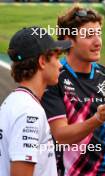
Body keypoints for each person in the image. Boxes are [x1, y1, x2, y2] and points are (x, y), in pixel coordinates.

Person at [41, 5, 105, 176]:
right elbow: (61, 136)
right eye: (89, 35)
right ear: (69, 40)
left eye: (99, 34)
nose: (97, 41)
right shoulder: (55, 78)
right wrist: (98, 118)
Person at [0, 27, 71, 176]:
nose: (60, 65)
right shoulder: (29, 112)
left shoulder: (13, 102)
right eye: (56, 57)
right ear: (42, 61)